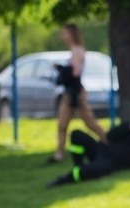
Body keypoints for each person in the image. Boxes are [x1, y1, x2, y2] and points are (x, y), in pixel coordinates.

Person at [46, 105, 130, 188]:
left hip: (112, 160)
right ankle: (78, 164)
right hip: (101, 149)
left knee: (93, 170)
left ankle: (65, 179)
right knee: (76, 135)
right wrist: (128, 127)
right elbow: (110, 136)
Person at [49, 24, 107, 164]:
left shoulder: (77, 51)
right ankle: (59, 154)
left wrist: (61, 69)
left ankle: (108, 141)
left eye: (65, 33)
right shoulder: (75, 50)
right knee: (62, 124)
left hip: (76, 93)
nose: (62, 36)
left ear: (71, 34)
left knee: (89, 122)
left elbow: (74, 73)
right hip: (70, 92)